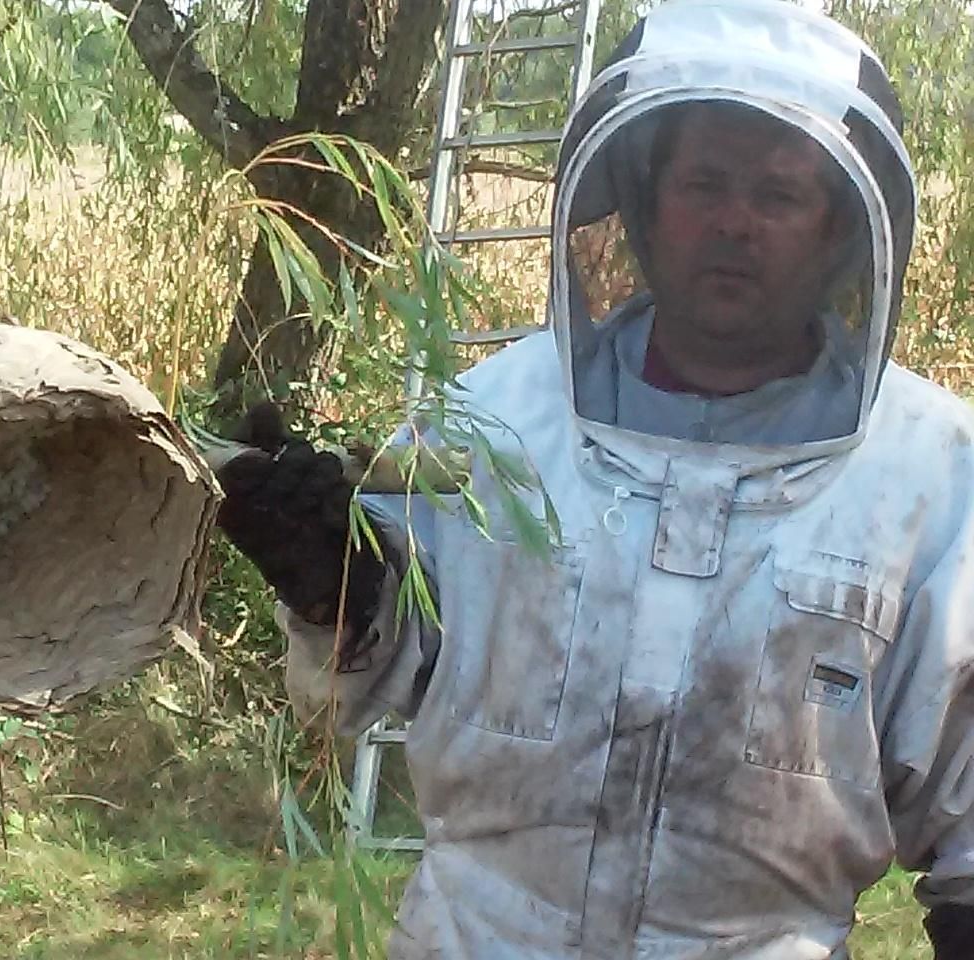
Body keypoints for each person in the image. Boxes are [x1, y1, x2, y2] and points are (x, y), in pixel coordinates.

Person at [215, 1, 974, 957]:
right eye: (705, 183)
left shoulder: (934, 477)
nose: (737, 222)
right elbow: (365, 685)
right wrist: (334, 586)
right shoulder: (487, 422)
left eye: (780, 194)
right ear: (643, 204)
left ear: (840, 232)